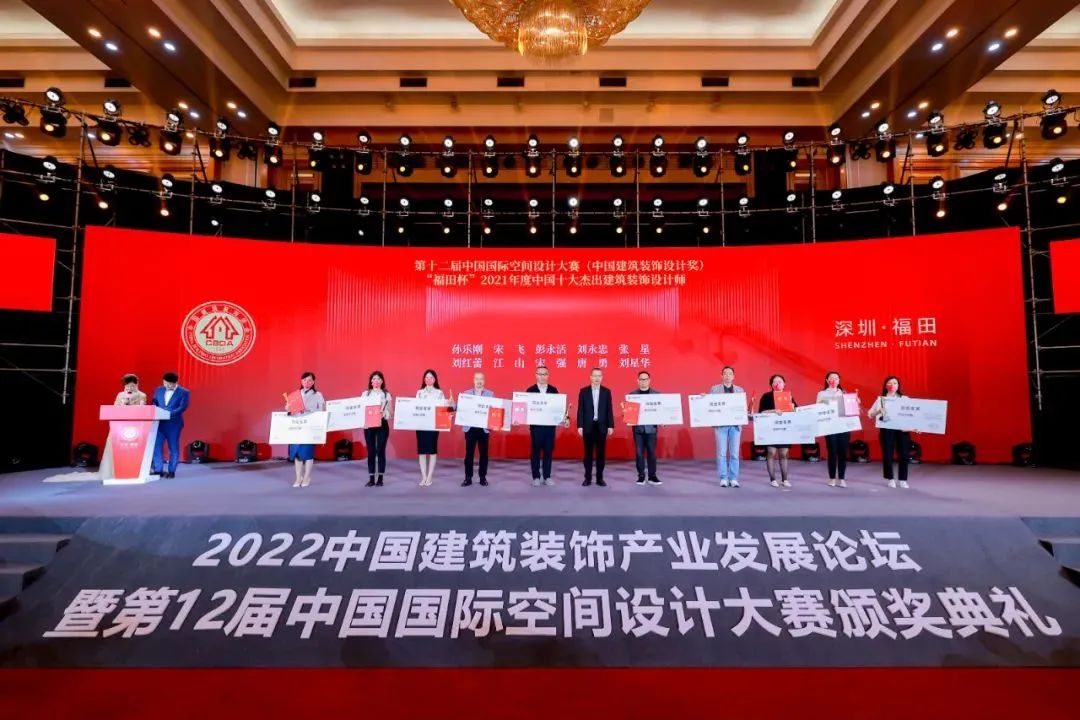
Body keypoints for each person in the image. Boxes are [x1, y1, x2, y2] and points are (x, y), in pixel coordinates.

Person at [525, 366, 567, 487]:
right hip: (536, 427)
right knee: (535, 452)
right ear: (536, 375)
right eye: (540, 374)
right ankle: (536, 477)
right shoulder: (530, 390)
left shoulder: (553, 390)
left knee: (548, 452)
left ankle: (547, 476)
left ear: (548, 376)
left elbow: (559, 408)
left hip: (550, 428)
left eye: (545, 374)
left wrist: (564, 418)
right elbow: (525, 408)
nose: (542, 377)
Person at [867, 375, 912, 489]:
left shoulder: (904, 399)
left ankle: (903, 480)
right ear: (885, 386)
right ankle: (890, 479)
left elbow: (912, 415)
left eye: (895, 383)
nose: (892, 385)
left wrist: (915, 427)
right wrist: (879, 411)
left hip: (902, 430)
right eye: (889, 383)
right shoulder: (881, 399)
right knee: (887, 454)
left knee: (904, 454)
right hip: (886, 429)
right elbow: (870, 414)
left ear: (898, 386)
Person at [286, 371, 325, 488]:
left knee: (308, 453)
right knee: (297, 453)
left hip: (310, 427)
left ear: (313, 382)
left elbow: (322, 411)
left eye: (309, 380)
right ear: (301, 381)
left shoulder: (318, 395)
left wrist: (308, 411)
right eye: (304, 380)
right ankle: (298, 477)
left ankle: (307, 477)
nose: (307, 382)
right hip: (297, 427)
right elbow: (289, 412)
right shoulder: (295, 395)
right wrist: (288, 408)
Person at [576, 367, 614, 487]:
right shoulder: (584, 391)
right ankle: (587, 478)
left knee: (601, 454)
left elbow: (609, 409)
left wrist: (610, 425)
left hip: (601, 426)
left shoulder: (606, 392)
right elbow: (580, 409)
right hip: (588, 426)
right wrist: (580, 425)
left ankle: (599, 478)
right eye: (595, 376)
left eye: (599, 376)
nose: (597, 378)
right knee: (588, 454)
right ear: (590, 377)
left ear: (602, 378)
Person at [758, 374, 797, 488]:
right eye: (775, 381)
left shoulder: (788, 396)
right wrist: (773, 411)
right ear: (771, 384)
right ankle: (773, 479)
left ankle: (785, 479)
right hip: (771, 428)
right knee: (771, 453)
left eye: (780, 381)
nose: (777, 383)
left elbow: (796, 411)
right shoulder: (766, 396)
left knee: (783, 454)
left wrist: (792, 407)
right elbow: (761, 412)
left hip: (784, 428)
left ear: (784, 384)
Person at [709, 365, 745, 488]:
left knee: (734, 453)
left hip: (735, 426)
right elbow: (709, 405)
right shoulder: (715, 389)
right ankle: (723, 478)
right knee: (721, 453)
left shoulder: (740, 390)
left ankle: (733, 478)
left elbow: (742, 407)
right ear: (721, 376)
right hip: (721, 426)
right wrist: (702, 398)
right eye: (725, 373)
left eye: (730, 374)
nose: (727, 376)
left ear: (733, 376)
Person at [150, 372, 190, 479]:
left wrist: (168, 414)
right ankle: (158, 470)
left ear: (175, 383)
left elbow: (182, 407)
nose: (166, 385)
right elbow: (154, 402)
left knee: (173, 447)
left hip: (173, 423)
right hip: (159, 422)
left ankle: (171, 471)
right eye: (165, 383)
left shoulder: (184, 392)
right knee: (157, 446)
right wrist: (154, 408)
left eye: (169, 384)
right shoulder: (159, 390)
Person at [816, 371, 852, 488]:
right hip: (829, 427)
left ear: (839, 380)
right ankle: (832, 478)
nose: (834, 380)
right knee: (832, 452)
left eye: (836, 378)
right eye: (831, 378)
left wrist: (854, 402)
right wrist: (824, 403)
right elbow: (817, 409)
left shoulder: (844, 393)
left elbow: (850, 408)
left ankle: (841, 478)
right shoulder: (821, 394)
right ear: (827, 380)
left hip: (843, 427)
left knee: (842, 452)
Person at [628, 370, 662, 486]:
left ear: (649, 380)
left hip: (651, 429)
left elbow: (661, 411)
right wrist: (626, 413)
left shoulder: (656, 395)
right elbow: (629, 414)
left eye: (646, 379)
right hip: (638, 430)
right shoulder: (632, 395)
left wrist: (663, 419)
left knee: (652, 453)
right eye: (641, 379)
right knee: (639, 453)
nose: (644, 381)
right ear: (638, 381)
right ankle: (641, 476)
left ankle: (652, 476)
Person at [460, 372, 494, 487]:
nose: (479, 381)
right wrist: (452, 405)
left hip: (484, 429)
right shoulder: (466, 394)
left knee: (484, 455)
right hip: (470, 428)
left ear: (484, 381)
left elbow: (494, 411)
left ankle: (482, 478)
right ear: (473, 380)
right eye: (477, 379)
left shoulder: (490, 394)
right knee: (469, 454)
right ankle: (468, 478)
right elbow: (461, 409)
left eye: (481, 379)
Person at [415, 369, 448, 487]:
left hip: (433, 425)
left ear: (435, 380)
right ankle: (423, 476)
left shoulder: (439, 393)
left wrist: (449, 405)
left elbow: (444, 408)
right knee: (422, 451)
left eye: (431, 377)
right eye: (426, 377)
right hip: (421, 425)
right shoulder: (419, 393)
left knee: (432, 450)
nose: (428, 379)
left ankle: (429, 477)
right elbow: (415, 407)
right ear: (424, 380)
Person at [362, 370, 392, 487]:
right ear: (371, 381)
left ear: (382, 381)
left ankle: (380, 478)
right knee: (371, 451)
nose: (376, 381)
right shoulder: (366, 394)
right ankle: (371, 478)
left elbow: (390, 412)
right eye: (374, 379)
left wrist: (384, 413)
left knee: (380, 450)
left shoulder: (386, 394)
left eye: (378, 379)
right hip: (369, 425)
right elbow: (361, 409)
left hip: (382, 425)